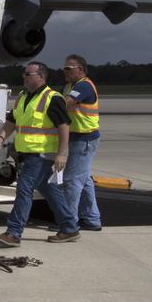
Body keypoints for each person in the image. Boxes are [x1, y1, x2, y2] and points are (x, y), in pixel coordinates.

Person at [0, 61, 75, 245]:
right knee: (49, 190)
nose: (24, 77)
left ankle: (13, 232)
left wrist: (62, 154)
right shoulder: (22, 96)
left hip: (42, 154)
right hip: (27, 153)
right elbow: (12, 120)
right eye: (24, 74)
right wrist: (2, 136)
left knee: (24, 190)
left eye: (28, 74)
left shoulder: (52, 98)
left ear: (40, 77)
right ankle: (69, 227)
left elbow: (64, 126)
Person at [61, 55, 103, 232]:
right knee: (84, 180)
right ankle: (92, 219)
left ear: (81, 70)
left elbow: (67, 104)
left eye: (69, 69)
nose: (66, 72)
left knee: (72, 181)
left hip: (84, 140)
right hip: (78, 139)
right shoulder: (70, 86)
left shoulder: (84, 86)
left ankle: (69, 222)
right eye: (65, 69)